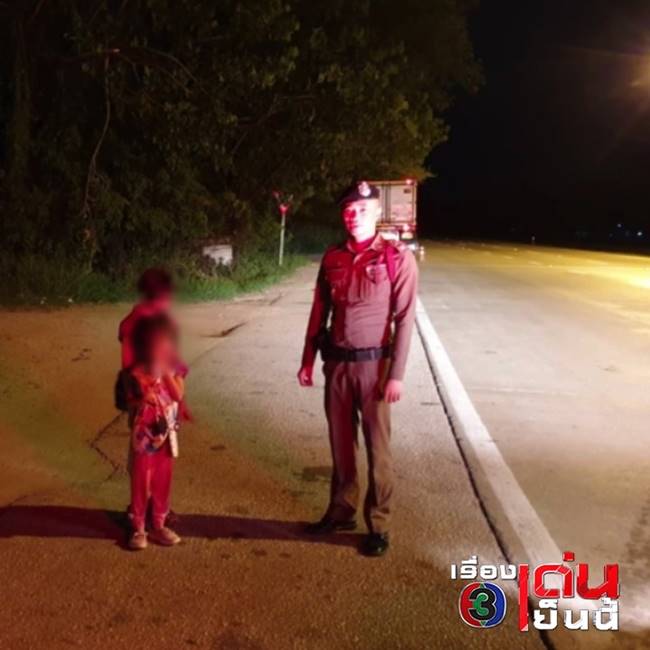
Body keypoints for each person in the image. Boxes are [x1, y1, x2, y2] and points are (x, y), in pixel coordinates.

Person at [297, 180, 418, 557]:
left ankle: (379, 524)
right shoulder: (333, 257)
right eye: (349, 210)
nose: (354, 216)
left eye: (363, 210)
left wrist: (396, 375)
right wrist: (307, 359)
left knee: (378, 451)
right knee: (341, 445)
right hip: (337, 365)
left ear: (377, 213)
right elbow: (320, 310)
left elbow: (405, 317)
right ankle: (341, 511)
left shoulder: (396, 257)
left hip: (374, 368)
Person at [127, 314, 185, 551]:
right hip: (145, 437)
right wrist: (144, 392)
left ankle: (159, 524)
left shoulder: (175, 367)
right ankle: (138, 527)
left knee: (163, 479)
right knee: (141, 479)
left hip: (167, 435)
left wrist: (167, 371)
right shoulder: (138, 369)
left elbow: (178, 395)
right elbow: (132, 397)